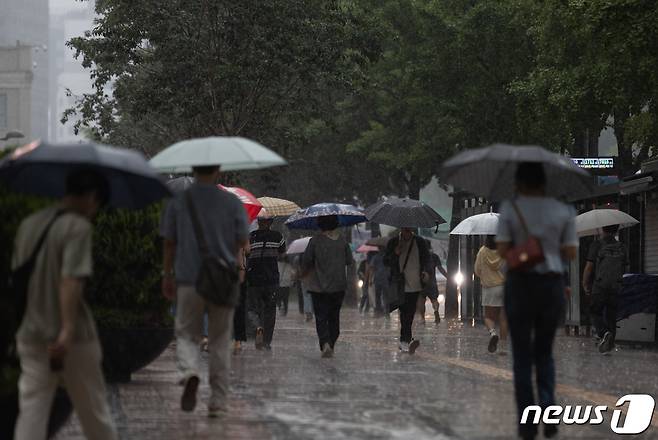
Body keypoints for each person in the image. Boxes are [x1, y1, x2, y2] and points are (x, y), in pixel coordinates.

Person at [12, 168, 118, 440]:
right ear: (92, 197)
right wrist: (67, 330)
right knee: (95, 413)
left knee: (32, 412)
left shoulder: (29, 225)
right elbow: (71, 279)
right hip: (74, 340)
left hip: (32, 334)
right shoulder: (77, 227)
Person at [496, 162, 578, 440]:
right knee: (545, 353)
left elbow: (504, 250)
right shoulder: (564, 210)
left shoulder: (510, 209)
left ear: (518, 183)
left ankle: (527, 425)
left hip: (520, 285)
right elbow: (570, 253)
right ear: (544, 183)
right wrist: (548, 246)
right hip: (551, 286)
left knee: (521, 357)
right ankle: (549, 412)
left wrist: (526, 247)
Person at [161, 165, 249, 418]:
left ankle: (189, 371)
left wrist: (167, 275)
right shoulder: (231, 202)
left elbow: (169, 242)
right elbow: (242, 240)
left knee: (187, 333)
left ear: (194, 170)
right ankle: (218, 402)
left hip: (188, 279)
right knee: (220, 340)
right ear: (218, 171)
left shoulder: (178, 203)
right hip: (222, 279)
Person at [301, 216, 354, 358]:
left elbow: (306, 261)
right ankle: (331, 342)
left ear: (320, 225)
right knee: (334, 316)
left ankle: (325, 343)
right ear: (336, 224)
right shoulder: (342, 241)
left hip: (319, 287)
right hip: (338, 286)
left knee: (321, 317)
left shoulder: (314, 241)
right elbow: (349, 260)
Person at [384, 227, 432, 354]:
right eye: (405, 229)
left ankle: (405, 340)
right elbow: (386, 261)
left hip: (415, 283)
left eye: (409, 230)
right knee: (404, 311)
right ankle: (405, 340)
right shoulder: (393, 242)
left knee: (409, 313)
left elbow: (427, 259)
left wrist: (426, 272)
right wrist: (395, 253)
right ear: (401, 229)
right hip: (399, 283)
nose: (407, 232)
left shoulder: (420, 242)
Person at [582, 224, 628, 354]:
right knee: (611, 315)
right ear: (617, 229)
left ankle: (604, 333)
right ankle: (609, 345)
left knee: (594, 311)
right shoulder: (622, 247)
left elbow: (589, 267)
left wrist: (585, 283)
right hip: (616, 285)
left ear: (602, 229)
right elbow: (626, 267)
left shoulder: (596, 245)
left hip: (600, 285)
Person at [246, 209, 286, 350]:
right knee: (270, 311)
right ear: (270, 222)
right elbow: (282, 254)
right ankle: (267, 342)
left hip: (254, 279)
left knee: (252, 308)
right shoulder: (278, 237)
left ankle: (258, 327)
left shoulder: (251, 237)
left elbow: (246, 253)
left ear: (258, 222)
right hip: (272, 280)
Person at [474, 235, 508, 354]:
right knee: (504, 318)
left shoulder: (482, 251)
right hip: (504, 287)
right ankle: (503, 348)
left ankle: (493, 333)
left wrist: (485, 274)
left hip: (489, 288)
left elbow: (477, 270)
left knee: (488, 317)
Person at [416, 241, 447, 325]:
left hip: (421, 282)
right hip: (432, 282)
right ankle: (436, 311)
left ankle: (422, 318)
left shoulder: (419, 256)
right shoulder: (434, 256)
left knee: (421, 300)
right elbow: (440, 268)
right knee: (434, 300)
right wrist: (447, 276)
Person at [232, 243, 249, 354]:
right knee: (238, 308)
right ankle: (237, 340)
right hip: (238, 273)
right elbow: (247, 250)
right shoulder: (239, 230)